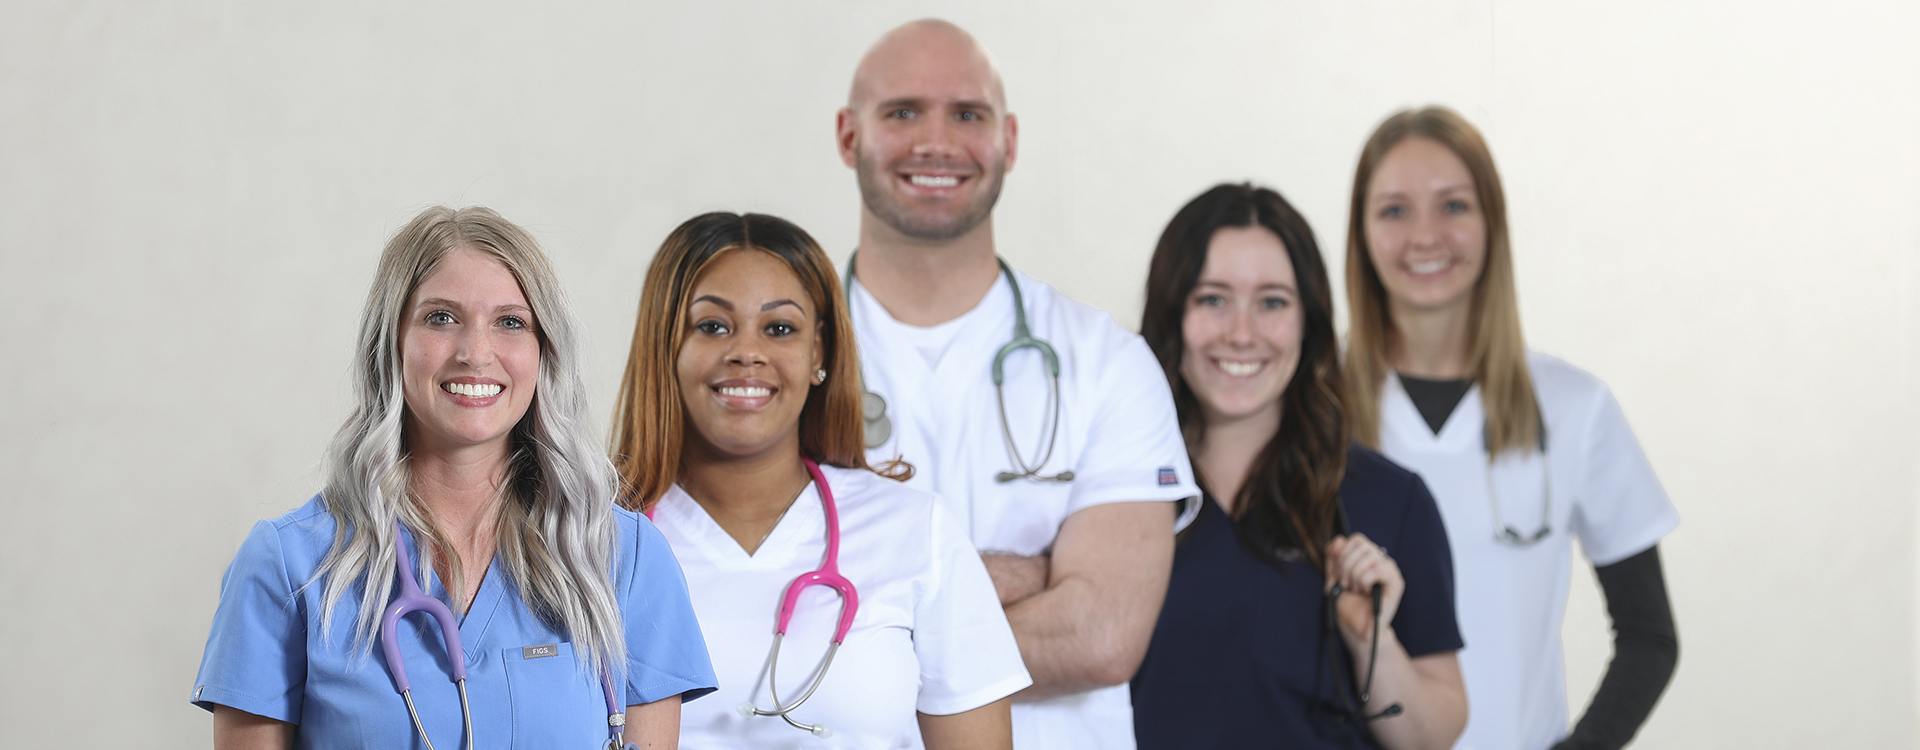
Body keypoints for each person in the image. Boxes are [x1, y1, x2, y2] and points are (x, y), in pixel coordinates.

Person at [191, 206, 716, 749]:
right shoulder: (288, 566)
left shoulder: (625, 559)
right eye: (441, 318)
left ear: (544, 351)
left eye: (511, 322)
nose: (475, 353)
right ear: (391, 342)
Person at [832, 19, 1201, 748]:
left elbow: (1102, 634)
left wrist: (872, 625)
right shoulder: (781, 364)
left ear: (1010, 140)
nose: (936, 142)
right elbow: (748, 604)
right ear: (848, 136)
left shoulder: (1106, 362)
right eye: (902, 111)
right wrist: (1026, 578)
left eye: (967, 114)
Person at [609, 211, 1030, 749]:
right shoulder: (589, 541)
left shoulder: (914, 529)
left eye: (780, 328)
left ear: (820, 352)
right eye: (711, 326)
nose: (747, 351)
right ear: (665, 346)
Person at [1343, 106, 1680, 750]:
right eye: (1394, 210)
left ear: (1493, 221)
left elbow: (1649, 637)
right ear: (1359, 233)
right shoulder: (1313, 407)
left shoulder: (1574, 408)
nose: (1425, 235)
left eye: (1453, 206)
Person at [1129, 183, 1468, 749]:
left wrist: (1368, 639)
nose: (1242, 333)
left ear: (1308, 323)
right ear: (1172, 314)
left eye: (1272, 302)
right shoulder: (1116, 491)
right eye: (1212, 299)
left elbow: (1430, 736)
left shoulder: (1387, 500)